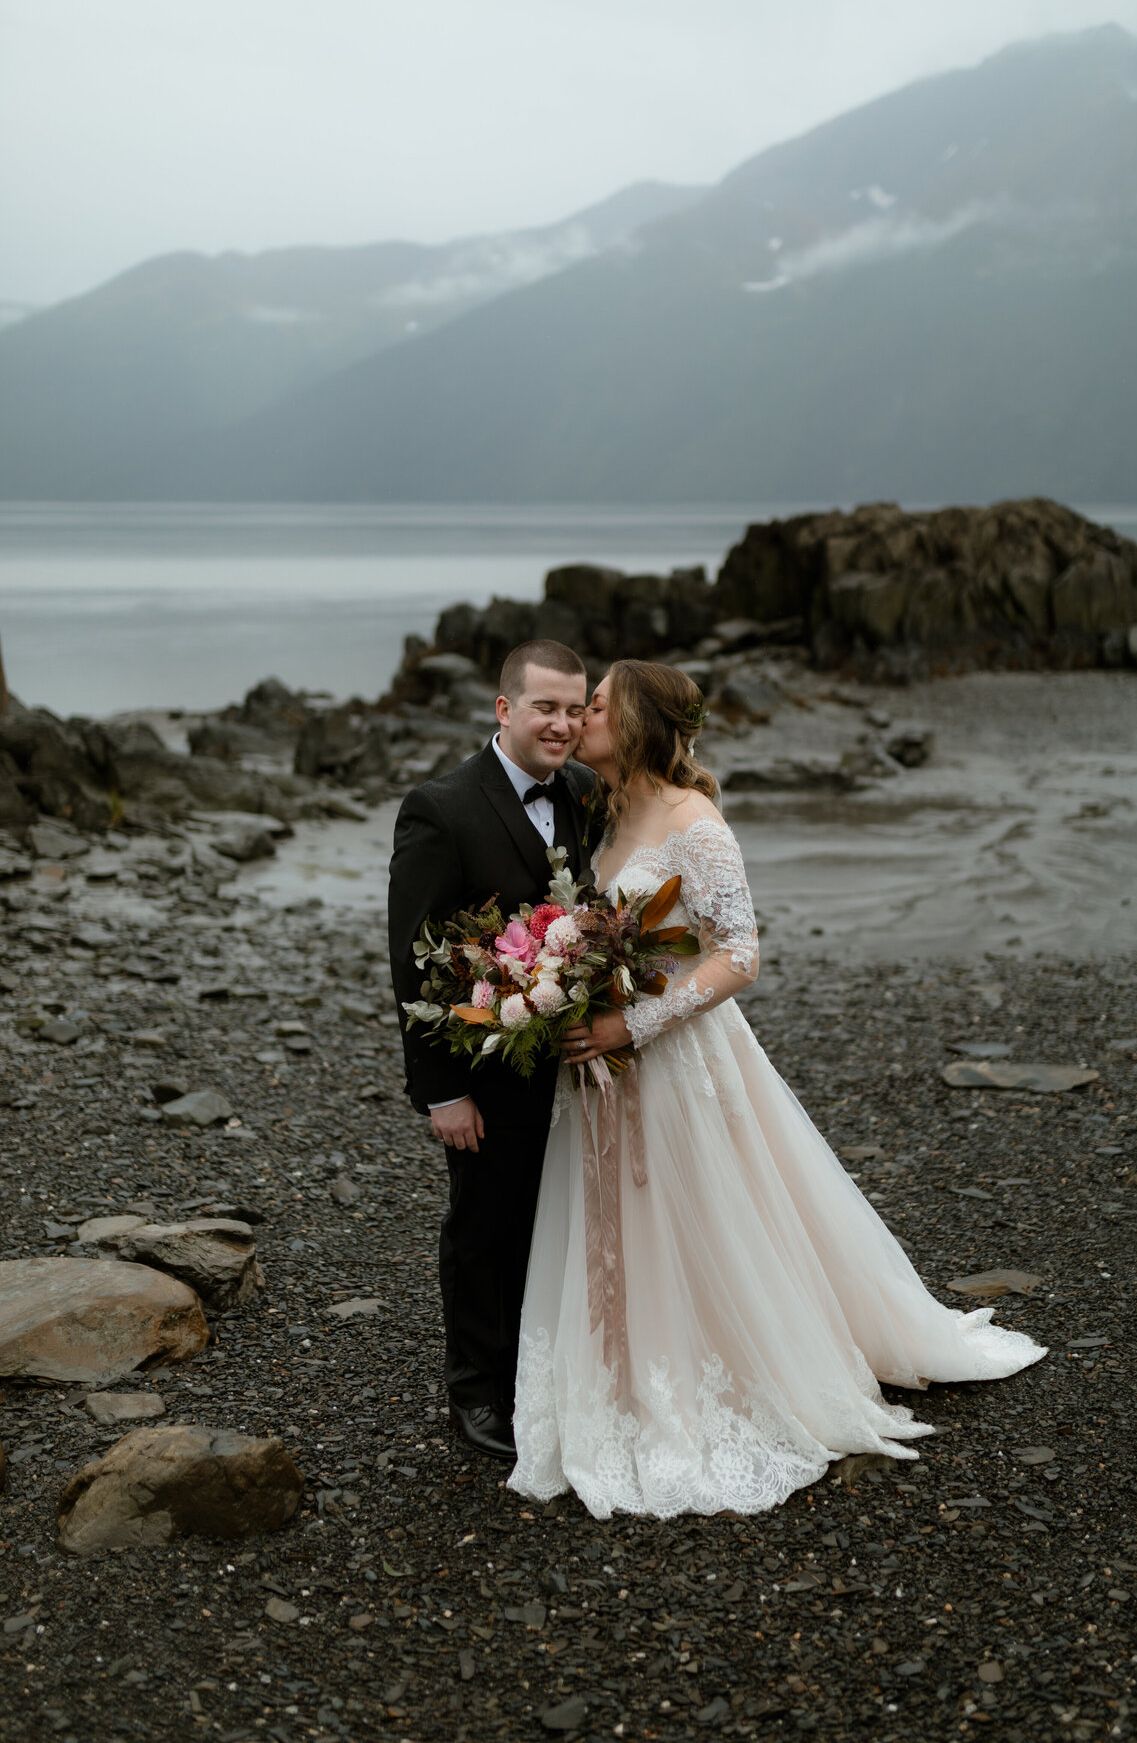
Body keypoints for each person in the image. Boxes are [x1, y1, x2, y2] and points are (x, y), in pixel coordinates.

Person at [508, 659, 1045, 1518]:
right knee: (617, 1219)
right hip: (603, 1068)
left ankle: (719, 1369)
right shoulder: (600, 812)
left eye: (597, 705)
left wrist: (628, 1026)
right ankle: (620, 1366)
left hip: (678, 1058)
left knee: (707, 1215)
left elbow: (740, 954)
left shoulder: (694, 821)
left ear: (638, 719)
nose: (580, 719)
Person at [388, 639, 594, 1459]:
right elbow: (410, 956)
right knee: (486, 1227)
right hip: (486, 1067)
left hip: (578, 1059)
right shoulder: (439, 806)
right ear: (504, 709)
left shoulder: (584, 792)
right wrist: (440, 1092)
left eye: (577, 708)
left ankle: (550, 1371)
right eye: (546, 706)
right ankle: (477, 1394)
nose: (564, 724)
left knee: (565, 1222)